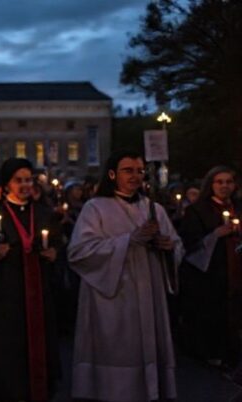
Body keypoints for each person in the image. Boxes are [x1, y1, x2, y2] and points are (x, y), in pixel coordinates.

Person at [67, 150, 184, 401]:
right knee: (118, 352)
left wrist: (168, 247)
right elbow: (79, 252)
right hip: (113, 295)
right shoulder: (95, 208)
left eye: (139, 171)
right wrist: (128, 241)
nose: (135, 176)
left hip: (149, 293)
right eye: (128, 170)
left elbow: (176, 244)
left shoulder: (154, 209)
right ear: (112, 174)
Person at [0, 158, 62, 402]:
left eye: (28, 180)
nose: (24, 185)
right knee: (6, 362)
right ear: (7, 184)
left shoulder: (44, 214)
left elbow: (60, 247)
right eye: (18, 180)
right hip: (3, 302)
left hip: (39, 298)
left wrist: (55, 255)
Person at [179, 166, 242, 368]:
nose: (224, 186)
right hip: (212, 273)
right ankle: (212, 353)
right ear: (211, 185)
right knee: (214, 313)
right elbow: (190, 244)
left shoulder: (238, 207)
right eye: (219, 182)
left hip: (236, 267)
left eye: (229, 182)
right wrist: (216, 235)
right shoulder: (197, 210)